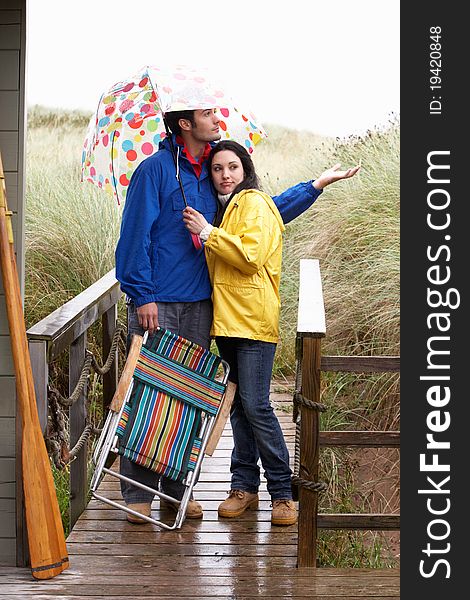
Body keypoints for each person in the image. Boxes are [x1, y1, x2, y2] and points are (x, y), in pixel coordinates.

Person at [115, 107, 350, 523]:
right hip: (159, 301)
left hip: (204, 304)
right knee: (147, 393)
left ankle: (174, 490)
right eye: (207, 114)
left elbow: (267, 210)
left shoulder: (210, 174)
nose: (216, 118)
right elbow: (133, 235)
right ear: (185, 123)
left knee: (188, 399)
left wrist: (313, 187)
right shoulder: (154, 171)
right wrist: (142, 293)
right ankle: (138, 491)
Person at [182, 140, 359, 525]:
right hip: (227, 322)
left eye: (232, 167)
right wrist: (316, 184)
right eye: (217, 169)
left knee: (258, 405)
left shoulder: (254, 204)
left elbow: (251, 257)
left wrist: (208, 232)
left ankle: (282, 493)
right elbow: (286, 205)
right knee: (239, 409)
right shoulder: (229, 208)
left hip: (253, 321)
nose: (225, 175)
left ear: (245, 169)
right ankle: (243, 487)